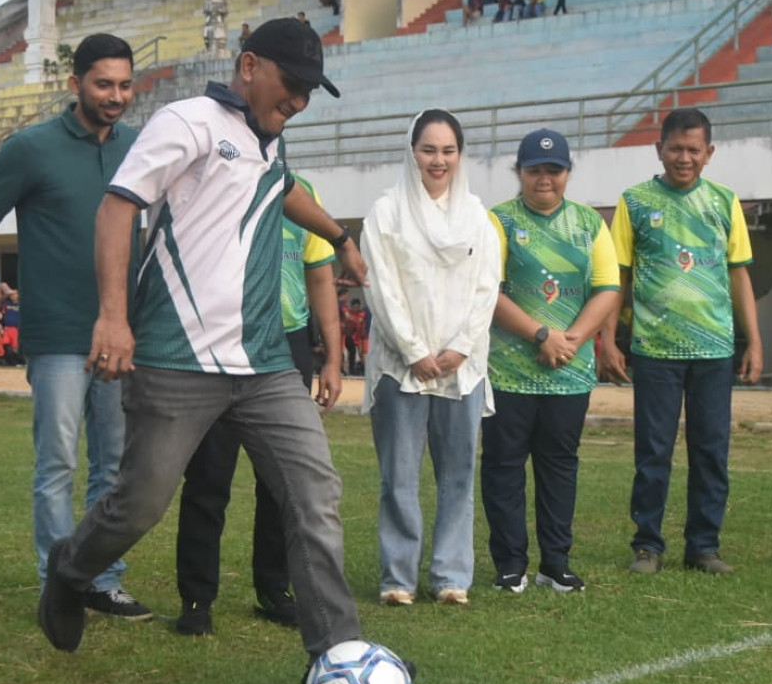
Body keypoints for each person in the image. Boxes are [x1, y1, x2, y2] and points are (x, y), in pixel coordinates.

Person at [35, 19, 378, 683]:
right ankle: (70, 567)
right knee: (139, 504)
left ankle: (340, 658)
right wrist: (113, 317)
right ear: (250, 65)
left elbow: (284, 190)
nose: (301, 100)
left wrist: (340, 236)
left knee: (315, 493)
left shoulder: (268, 142)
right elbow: (117, 206)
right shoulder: (187, 122)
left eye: (312, 90)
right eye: (294, 84)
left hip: (264, 364)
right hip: (175, 359)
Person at [0, 34, 151, 619]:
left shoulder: (142, 148)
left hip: (122, 334)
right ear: (75, 85)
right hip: (57, 337)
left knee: (114, 467)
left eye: (124, 85)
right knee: (58, 463)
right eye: (103, 84)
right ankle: (57, 582)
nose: (116, 96)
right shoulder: (30, 148)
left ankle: (100, 579)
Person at [174, 174, 343, 636]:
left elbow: (320, 275)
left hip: (287, 344)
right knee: (209, 474)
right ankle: (196, 598)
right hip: (223, 340)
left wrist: (332, 355)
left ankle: (275, 589)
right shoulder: (221, 181)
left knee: (283, 480)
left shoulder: (305, 191)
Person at [598, 107, 763, 575]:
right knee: (653, 451)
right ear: (659, 150)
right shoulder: (634, 202)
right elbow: (618, 278)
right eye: (675, 149)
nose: (684, 158)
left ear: (709, 153)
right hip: (655, 352)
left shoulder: (726, 202)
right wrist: (609, 340)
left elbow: (739, 275)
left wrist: (754, 341)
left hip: (714, 351)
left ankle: (704, 546)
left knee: (711, 451)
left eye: (693, 150)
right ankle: (647, 545)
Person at [361, 109, 502, 607]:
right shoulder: (386, 213)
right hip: (402, 367)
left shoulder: (478, 219)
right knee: (399, 475)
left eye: (448, 150)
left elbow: (487, 288)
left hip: (462, 367)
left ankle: (450, 576)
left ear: (459, 155)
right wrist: (416, 352)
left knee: (458, 474)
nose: (438, 161)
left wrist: (460, 347)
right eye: (428, 149)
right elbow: (380, 285)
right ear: (411, 151)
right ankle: (398, 576)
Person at [482, 130, 620, 594]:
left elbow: (607, 288)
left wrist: (570, 341)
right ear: (519, 172)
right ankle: (510, 564)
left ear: (567, 173)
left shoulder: (588, 224)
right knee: (503, 465)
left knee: (559, 465)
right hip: (507, 372)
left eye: (554, 170)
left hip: (569, 372)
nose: (545, 179)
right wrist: (540, 335)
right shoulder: (497, 221)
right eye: (535, 169)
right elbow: (488, 292)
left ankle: (555, 562)